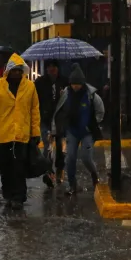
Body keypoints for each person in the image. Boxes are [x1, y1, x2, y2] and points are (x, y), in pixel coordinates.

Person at [0, 53, 41, 210]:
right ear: (8, 71)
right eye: (14, 71)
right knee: (5, 168)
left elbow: (35, 110)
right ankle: (8, 195)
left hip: (21, 136)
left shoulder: (30, 87)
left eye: (19, 71)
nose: (17, 74)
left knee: (19, 168)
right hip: (3, 136)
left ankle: (19, 197)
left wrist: (35, 132)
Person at [52, 63, 104, 195]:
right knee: (70, 158)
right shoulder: (66, 94)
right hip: (72, 131)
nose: (75, 86)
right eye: (73, 83)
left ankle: (94, 174)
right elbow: (59, 111)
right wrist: (58, 128)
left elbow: (100, 111)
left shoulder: (91, 95)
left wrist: (93, 124)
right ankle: (72, 185)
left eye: (78, 83)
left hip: (87, 132)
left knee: (86, 157)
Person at [35, 60, 69, 187]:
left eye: (54, 66)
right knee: (48, 147)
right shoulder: (40, 83)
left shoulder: (65, 82)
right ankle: (49, 172)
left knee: (61, 149)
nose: (51, 69)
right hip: (46, 120)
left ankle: (60, 169)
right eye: (49, 66)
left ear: (58, 68)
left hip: (61, 122)